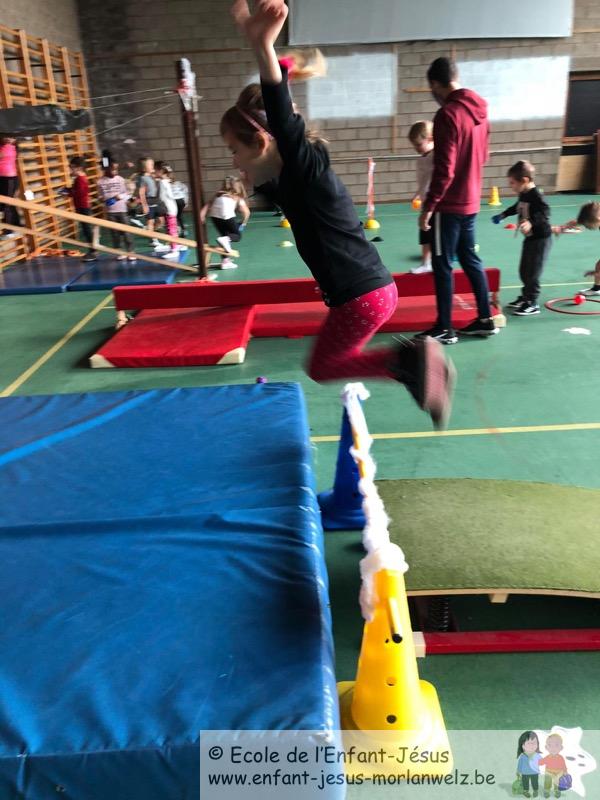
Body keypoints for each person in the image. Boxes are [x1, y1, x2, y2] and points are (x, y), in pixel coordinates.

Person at [220, 0, 454, 429]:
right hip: (368, 292)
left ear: (261, 141)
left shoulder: (305, 167)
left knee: (324, 366)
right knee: (325, 364)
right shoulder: (289, 183)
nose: (233, 161)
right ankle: (412, 363)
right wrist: (275, 63)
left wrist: (263, 48)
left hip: (361, 295)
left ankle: (413, 362)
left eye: (235, 149)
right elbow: (270, 132)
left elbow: (281, 117)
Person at [419, 57, 498, 344]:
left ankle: (444, 327)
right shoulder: (481, 111)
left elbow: (445, 169)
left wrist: (430, 206)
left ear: (435, 84)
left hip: (449, 204)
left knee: (442, 263)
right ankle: (485, 319)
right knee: (470, 258)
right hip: (471, 200)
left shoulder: (447, 114)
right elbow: (484, 156)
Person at [492, 161, 552, 316]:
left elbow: (545, 212)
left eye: (512, 183)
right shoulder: (524, 194)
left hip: (541, 239)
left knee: (533, 272)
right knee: (524, 270)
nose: (510, 186)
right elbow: (517, 207)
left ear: (524, 180)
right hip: (530, 238)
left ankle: (532, 302)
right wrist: (503, 214)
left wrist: (531, 222)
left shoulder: (537, 195)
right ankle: (526, 296)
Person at [200, 175, 250, 269]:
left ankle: (225, 261)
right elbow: (246, 213)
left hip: (214, 216)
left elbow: (209, 204)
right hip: (226, 214)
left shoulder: (219, 194)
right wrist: (243, 223)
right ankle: (225, 246)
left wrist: (202, 214)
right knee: (237, 236)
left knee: (224, 237)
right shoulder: (237, 197)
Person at [408, 120, 434, 274]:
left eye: (419, 144)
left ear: (430, 139)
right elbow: (423, 181)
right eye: (414, 146)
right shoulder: (421, 159)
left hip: (435, 204)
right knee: (424, 234)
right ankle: (426, 263)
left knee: (433, 234)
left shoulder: (435, 156)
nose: (416, 149)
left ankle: (437, 261)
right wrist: (417, 194)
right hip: (425, 202)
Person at [558, 201, 600, 295]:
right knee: (599, 265)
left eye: (587, 225)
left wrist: (598, 273)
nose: (587, 227)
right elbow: (581, 220)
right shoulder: (595, 215)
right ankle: (596, 289)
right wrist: (565, 226)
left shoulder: (596, 217)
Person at [97, 161, 136, 262]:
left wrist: (121, 197)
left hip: (122, 210)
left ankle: (131, 251)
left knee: (126, 232)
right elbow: (100, 196)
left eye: (116, 169)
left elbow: (126, 193)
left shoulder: (120, 179)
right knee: (115, 233)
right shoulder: (100, 182)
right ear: (106, 169)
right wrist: (102, 199)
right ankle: (119, 251)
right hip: (110, 212)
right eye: (112, 169)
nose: (115, 171)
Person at [64, 157, 97, 262]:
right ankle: (92, 250)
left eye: (72, 167)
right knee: (86, 229)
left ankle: (93, 251)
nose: (70, 170)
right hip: (81, 206)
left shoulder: (81, 179)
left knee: (87, 230)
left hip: (83, 207)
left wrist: (68, 193)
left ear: (79, 168)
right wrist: (68, 190)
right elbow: (76, 191)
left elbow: (80, 193)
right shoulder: (79, 178)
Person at [155, 163, 182, 259]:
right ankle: (175, 245)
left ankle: (174, 249)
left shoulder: (162, 182)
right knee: (172, 227)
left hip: (169, 208)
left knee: (171, 229)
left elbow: (161, 197)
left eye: (156, 170)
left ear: (161, 171)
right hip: (172, 207)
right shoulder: (167, 181)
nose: (154, 172)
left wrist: (158, 203)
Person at [135, 157, 160, 246]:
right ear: (144, 167)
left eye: (153, 164)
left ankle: (150, 232)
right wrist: (144, 205)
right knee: (150, 221)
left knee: (160, 220)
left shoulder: (151, 176)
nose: (153, 166)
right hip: (148, 200)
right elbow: (141, 193)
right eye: (151, 165)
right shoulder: (142, 178)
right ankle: (152, 239)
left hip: (155, 200)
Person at [0, 136, 21, 238]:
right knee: (8, 204)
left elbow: (2, 155)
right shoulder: (4, 146)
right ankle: (16, 224)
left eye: (12, 138)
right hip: (3, 178)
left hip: (10, 179)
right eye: (7, 136)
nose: (9, 139)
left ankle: (9, 231)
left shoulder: (10, 148)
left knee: (7, 204)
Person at [516, 731, 542, 799]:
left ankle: (535, 790)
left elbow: (542, 762)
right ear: (523, 746)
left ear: (537, 744)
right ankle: (525, 791)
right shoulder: (523, 756)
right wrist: (518, 771)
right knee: (525, 783)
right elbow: (520, 764)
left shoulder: (537, 755)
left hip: (534, 772)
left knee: (535, 782)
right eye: (529, 743)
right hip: (525, 773)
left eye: (534, 743)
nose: (532, 746)